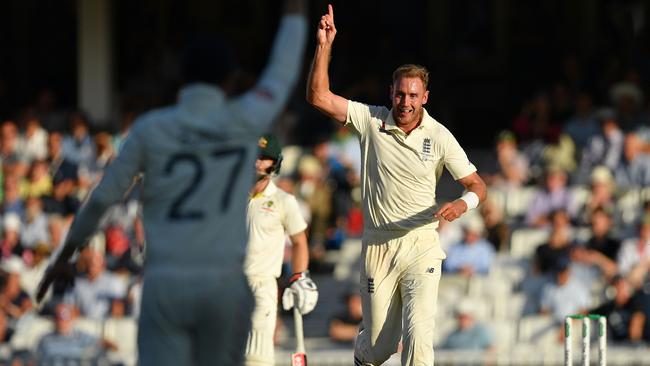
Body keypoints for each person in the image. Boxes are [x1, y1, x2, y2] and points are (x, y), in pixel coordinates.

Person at [36, 1, 308, 365]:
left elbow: (103, 199)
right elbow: (282, 70)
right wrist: (294, 10)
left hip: (167, 283)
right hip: (223, 284)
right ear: (229, 81)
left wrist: (65, 255)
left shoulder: (151, 129)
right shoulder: (246, 117)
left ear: (182, 79)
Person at [306, 5, 487, 365]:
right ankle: (363, 354)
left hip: (421, 245)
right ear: (391, 93)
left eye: (413, 96)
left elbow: (477, 184)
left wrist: (462, 204)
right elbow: (318, 98)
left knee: (420, 340)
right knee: (379, 349)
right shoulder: (371, 121)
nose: (405, 102)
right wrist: (324, 45)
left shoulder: (438, 135)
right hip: (379, 247)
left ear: (425, 98)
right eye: (400, 94)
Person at [243, 133, 317, 366]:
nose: (257, 162)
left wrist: (298, 276)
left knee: (256, 357)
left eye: (264, 157)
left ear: (274, 162)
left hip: (261, 284)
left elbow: (299, 241)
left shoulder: (284, 201)